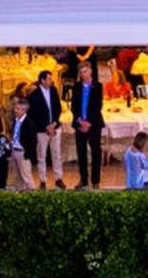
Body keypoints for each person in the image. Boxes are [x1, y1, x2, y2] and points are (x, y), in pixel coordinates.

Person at [27, 70, 66, 190]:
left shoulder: (54, 91)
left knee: (57, 154)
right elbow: (34, 114)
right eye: (49, 78)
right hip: (41, 130)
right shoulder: (34, 95)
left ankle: (58, 178)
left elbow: (58, 108)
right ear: (42, 80)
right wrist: (46, 126)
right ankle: (43, 180)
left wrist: (54, 123)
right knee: (41, 155)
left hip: (54, 127)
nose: (51, 80)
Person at [72, 62, 105, 190]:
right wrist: (80, 121)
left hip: (94, 124)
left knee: (96, 152)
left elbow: (98, 106)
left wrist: (88, 123)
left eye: (85, 71)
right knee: (81, 153)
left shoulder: (98, 86)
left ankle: (95, 180)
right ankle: (84, 180)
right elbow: (74, 106)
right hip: (80, 125)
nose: (82, 74)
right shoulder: (77, 87)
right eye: (81, 72)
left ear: (90, 71)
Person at [8, 96, 38, 189]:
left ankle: (33, 196)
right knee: (17, 178)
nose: (15, 110)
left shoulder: (29, 123)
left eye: (18, 109)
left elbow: (33, 141)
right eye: (15, 108)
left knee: (26, 177)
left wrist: (27, 153)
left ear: (24, 110)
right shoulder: (15, 121)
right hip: (14, 150)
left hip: (23, 152)